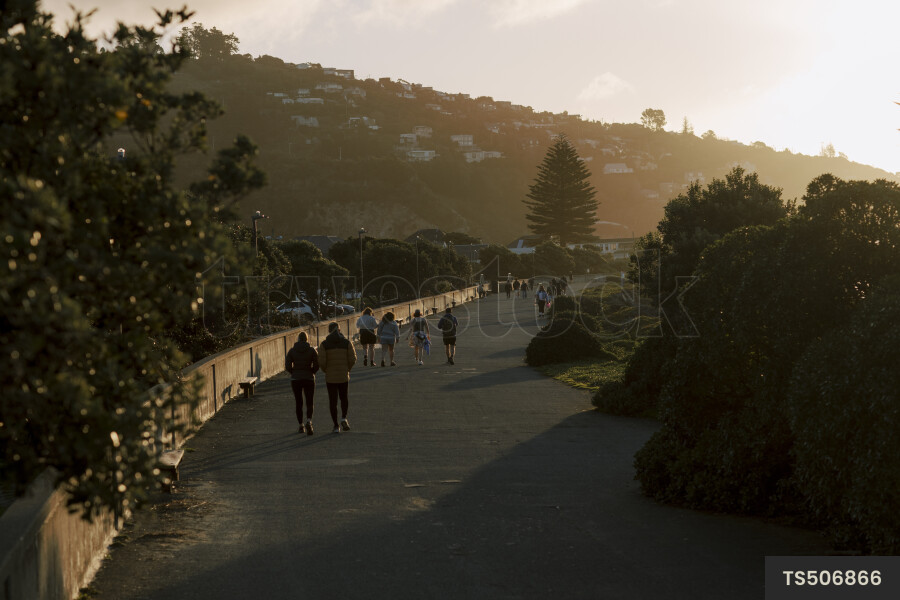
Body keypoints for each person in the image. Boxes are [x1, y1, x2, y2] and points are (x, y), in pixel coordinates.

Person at [317, 322, 358, 433]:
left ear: (329, 331)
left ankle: (335, 425)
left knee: (333, 400)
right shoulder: (346, 342)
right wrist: (347, 369)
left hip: (330, 377)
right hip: (343, 375)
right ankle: (344, 417)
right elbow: (353, 359)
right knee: (344, 398)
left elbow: (321, 361)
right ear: (339, 330)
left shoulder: (324, 344)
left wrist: (326, 370)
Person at [284, 332, 319, 435]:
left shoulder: (292, 351)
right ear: (307, 339)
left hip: (296, 379)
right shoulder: (312, 350)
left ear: (298, 339)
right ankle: (309, 420)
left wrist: (293, 372)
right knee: (309, 401)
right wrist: (312, 371)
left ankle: (300, 425)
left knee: (298, 402)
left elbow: (287, 365)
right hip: (308, 378)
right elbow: (317, 363)